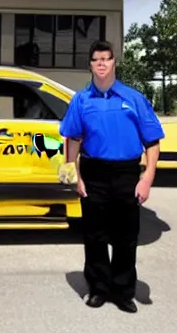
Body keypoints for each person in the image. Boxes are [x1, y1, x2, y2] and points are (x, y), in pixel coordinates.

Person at [60, 40, 164, 313]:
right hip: (94, 172)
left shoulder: (134, 98)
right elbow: (71, 138)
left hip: (127, 173)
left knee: (126, 236)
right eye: (97, 59)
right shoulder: (81, 100)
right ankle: (98, 288)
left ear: (114, 62)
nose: (102, 63)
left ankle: (123, 291)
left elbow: (152, 142)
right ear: (91, 65)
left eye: (107, 58)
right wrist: (75, 175)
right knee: (94, 235)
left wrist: (147, 177)